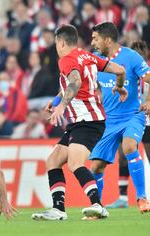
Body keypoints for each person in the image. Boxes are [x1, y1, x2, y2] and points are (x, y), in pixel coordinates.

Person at [31, 24, 127, 221]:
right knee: (53, 161)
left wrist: (61, 107)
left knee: (75, 163)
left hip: (88, 121)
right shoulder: (87, 56)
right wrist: (120, 87)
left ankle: (98, 205)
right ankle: (58, 210)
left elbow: (74, 82)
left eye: (56, 43)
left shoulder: (66, 60)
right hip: (82, 122)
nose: (56, 46)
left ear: (62, 42)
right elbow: (119, 69)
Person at [89, 23, 150, 214]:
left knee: (129, 146)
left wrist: (149, 101)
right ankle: (97, 207)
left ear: (107, 40)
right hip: (109, 121)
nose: (93, 42)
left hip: (133, 115)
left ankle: (142, 199)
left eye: (96, 38)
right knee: (96, 166)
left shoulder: (131, 57)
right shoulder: (96, 60)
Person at [107, 41, 150, 209]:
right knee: (124, 154)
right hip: (132, 116)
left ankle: (141, 196)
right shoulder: (127, 70)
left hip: (147, 118)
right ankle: (123, 198)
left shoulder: (145, 72)